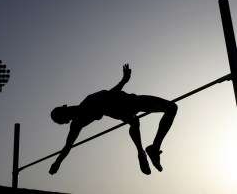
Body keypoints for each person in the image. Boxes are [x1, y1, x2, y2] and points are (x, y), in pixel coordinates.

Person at [49, 64, 177, 175]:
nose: (65, 120)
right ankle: (150, 149)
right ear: (65, 120)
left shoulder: (78, 121)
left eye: (62, 118)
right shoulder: (84, 110)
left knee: (134, 122)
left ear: (64, 109)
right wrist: (123, 81)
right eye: (62, 120)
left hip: (119, 109)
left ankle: (143, 151)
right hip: (128, 103)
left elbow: (67, 146)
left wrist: (57, 163)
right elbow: (110, 95)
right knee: (170, 108)